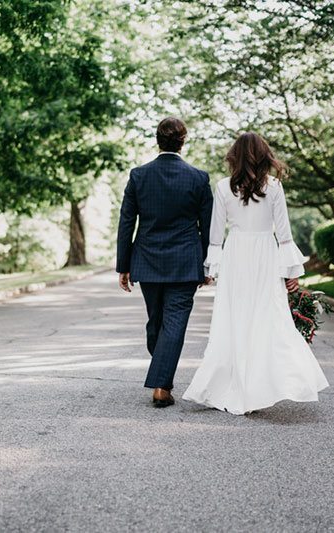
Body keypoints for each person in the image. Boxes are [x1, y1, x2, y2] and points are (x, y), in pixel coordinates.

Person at [182, 132, 329, 415]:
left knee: (234, 318)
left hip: (236, 252)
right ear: (264, 156)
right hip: (265, 253)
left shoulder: (224, 187)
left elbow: (215, 235)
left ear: (234, 156)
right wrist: (291, 272)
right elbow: (284, 234)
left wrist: (213, 267)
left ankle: (236, 385)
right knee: (267, 316)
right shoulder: (273, 186)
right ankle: (260, 386)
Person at [116, 117, 214, 408]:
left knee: (161, 321)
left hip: (147, 260)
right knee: (165, 324)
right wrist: (207, 264)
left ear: (158, 140)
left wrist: (124, 265)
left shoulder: (139, 176)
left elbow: (126, 223)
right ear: (183, 142)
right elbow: (208, 228)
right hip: (185, 262)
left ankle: (162, 385)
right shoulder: (198, 178)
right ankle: (162, 374)